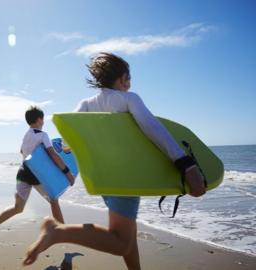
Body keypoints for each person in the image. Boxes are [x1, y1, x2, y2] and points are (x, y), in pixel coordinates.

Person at [23, 53, 206, 269]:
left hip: (102, 181)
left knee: (127, 234)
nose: (130, 83)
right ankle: (57, 231)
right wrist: (186, 163)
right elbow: (153, 129)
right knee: (120, 242)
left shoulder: (85, 104)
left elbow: (66, 144)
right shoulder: (129, 99)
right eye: (129, 78)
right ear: (122, 78)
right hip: (126, 179)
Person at [0, 106, 76, 251]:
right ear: (39, 119)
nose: (43, 121)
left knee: (18, 207)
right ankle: (64, 235)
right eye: (43, 119)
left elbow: (22, 151)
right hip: (36, 175)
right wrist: (67, 172)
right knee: (54, 200)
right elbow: (53, 154)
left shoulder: (27, 135)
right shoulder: (42, 135)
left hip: (23, 172)